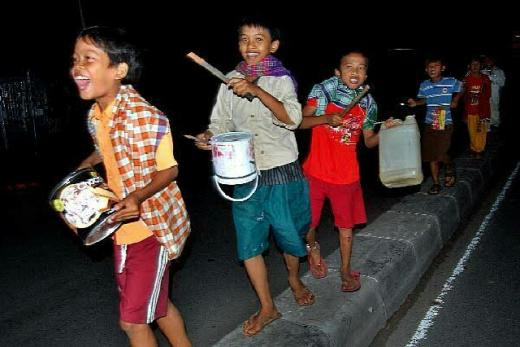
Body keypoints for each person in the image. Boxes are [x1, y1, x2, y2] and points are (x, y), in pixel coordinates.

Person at [71, 26, 191, 346]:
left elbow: (170, 169)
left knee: (132, 321)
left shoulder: (145, 117)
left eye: (89, 59)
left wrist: (137, 195)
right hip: (121, 231)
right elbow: (107, 147)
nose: (77, 67)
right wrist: (85, 167)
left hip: (150, 229)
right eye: (75, 59)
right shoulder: (98, 114)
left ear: (118, 70)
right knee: (159, 306)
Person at [195, 17, 314, 336]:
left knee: (289, 235)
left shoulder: (281, 80)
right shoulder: (229, 80)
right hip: (243, 174)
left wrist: (257, 91)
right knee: (248, 244)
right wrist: (209, 135)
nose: (250, 46)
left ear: (272, 46)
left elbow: (292, 119)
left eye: (258, 39)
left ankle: (293, 278)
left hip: (280, 170)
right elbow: (220, 122)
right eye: (244, 39)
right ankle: (268, 306)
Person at [299, 51, 395, 292]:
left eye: (361, 68)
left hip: (346, 176)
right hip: (315, 172)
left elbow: (369, 141)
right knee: (307, 225)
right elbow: (299, 122)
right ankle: (314, 249)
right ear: (338, 72)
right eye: (349, 67)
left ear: (366, 74)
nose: (355, 72)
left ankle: (344, 271)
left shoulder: (368, 104)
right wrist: (325, 118)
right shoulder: (323, 92)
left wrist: (388, 131)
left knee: (346, 228)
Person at [408, 57, 462, 195]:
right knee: (431, 156)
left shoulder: (450, 82)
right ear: (426, 70)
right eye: (430, 67)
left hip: (444, 120)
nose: (432, 68)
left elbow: (463, 86)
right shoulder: (424, 85)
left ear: (442, 68)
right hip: (429, 122)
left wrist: (455, 99)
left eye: (436, 66)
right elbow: (425, 99)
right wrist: (416, 103)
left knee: (441, 152)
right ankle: (436, 183)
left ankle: (449, 166)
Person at [461, 57, 491, 157]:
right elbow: (463, 95)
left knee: (481, 131)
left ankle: (480, 150)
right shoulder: (466, 79)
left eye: (477, 64)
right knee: (472, 131)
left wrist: (479, 95)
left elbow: (488, 94)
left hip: (482, 110)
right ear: (469, 66)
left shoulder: (485, 79)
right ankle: (473, 148)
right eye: (472, 64)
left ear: (480, 66)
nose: (475, 66)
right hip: (470, 110)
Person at [481, 55, 506, 130]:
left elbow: (502, 82)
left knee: (494, 110)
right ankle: (486, 128)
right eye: (486, 60)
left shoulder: (499, 71)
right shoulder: (482, 71)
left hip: (495, 95)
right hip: (484, 95)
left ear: (493, 61)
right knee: (484, 110)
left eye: (490, 60)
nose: (488, 62)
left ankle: (495, 126)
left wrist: (490, 77)